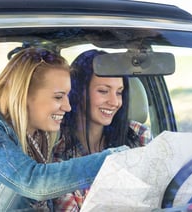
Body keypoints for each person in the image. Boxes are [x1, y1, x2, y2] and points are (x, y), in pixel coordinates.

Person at [0, 47, 128, 211]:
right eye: (58, 97)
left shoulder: (41, 135)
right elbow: (34, 182)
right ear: (24, 94)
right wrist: (116, 158)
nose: (68, 106)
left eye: (67, 96)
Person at [52, 49, 151, 211]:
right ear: (77, 92)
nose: (114, 102)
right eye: (103, 91)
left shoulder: (139, 136)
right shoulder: (58, 151)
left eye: (119, 93)